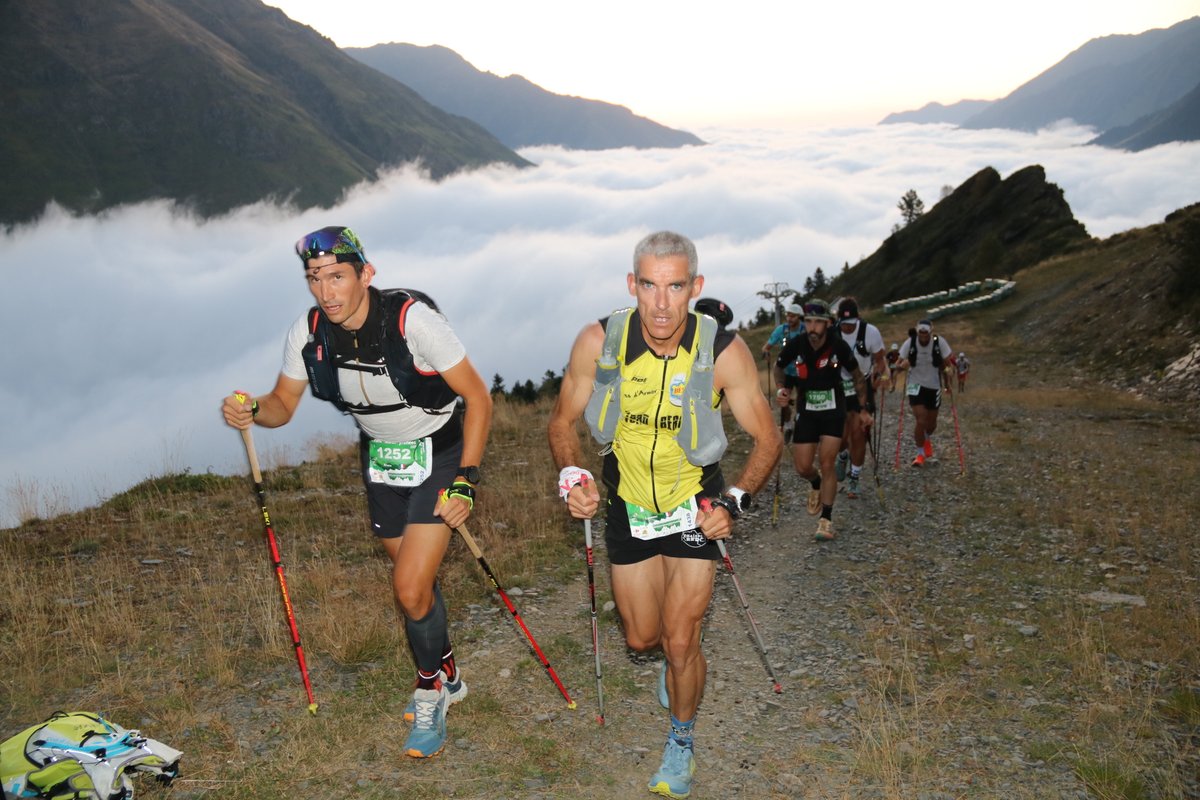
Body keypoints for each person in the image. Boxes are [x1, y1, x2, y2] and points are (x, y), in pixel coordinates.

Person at [221, 226, 492, 759]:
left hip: (439, 454)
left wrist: (467, 479)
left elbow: (478, 398)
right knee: (416, 586)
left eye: (337, 277)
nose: (326, 291)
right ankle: (447, 670)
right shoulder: (308, 332)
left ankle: (430, 691)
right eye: (314, 278)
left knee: (409, 588)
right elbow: (282, 405)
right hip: (381, 461)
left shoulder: (413, 321)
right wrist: (251, 408)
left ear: (366, 274)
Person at [548, 231, 782, 799]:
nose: (660, 303)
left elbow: (768, 438)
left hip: (693, 507)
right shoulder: (599, 343)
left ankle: (681, 741)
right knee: (641, 637)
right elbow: (561, 422)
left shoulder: (722, 352)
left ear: (695, 287)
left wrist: (735, 502)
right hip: (628, 507)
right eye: (649, 286)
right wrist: (573, 477)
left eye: (675, 287)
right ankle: (674, 666)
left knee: (680, 642)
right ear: (632, 285)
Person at [774, 298, 872, 541]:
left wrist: (863, 409)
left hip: (833, 410)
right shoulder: (797, 343)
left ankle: (826, 521)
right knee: (802, 467)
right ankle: (815, 482)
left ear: (828, 323)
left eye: (818, 322)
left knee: (828, 463)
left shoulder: (838, 345)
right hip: (806, 411)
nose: (813, 327)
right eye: (809, 322)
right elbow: (779, 367)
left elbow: (858, 377)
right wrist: (782, 390)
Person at [832, 298, 887, 499]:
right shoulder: (831, 333)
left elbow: (880, 359)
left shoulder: (870, 332)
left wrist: (879, 375)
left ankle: (854, 478)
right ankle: (843, 455)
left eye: (851, 323)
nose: (847, 327)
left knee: (860, 433)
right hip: (838, 386)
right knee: (839, 436)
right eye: (844, 323)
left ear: (858, 319)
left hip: (863, 384)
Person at [895, 318, 953, 467]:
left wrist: (948, 381)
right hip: (915, 385)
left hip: (933, 386)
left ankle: (926, 437)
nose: (923, 336)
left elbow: (947, 364)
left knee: (931, 424)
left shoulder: (939, 342)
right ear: (917, 331)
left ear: (931, 332)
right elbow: (896, 365)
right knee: (921, 419)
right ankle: (920, 454)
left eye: (926, 333)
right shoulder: (910, 343)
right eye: (920, 333)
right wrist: (902, 366)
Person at [761, 303, 805, 435]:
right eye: (788, 315)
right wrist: (766, 353)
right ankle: (788, 424)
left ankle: (801, 421)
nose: (790, 318)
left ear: (799, 317)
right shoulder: (781, 330)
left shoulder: (806, 329)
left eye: (793, 316)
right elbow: (766, 346)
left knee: (803, 399)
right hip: (785, 371)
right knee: (783, 398)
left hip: (802, 371)